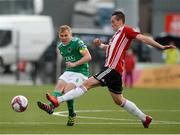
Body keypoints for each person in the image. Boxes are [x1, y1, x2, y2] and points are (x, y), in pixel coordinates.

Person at [42, 10, 176, 128]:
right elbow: (109, 48)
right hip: (115, 72)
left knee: (86, 84)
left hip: (111, 69)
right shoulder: (116, 36)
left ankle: (57, 100)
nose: (111, 23)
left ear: (120, 21)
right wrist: (100, 45)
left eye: (113, 21)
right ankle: (144, 118)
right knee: (119, 100)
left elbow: (143, 38)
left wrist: (160, 46)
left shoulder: (126, 30)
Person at [37, 25, 92, 126]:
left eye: (66, 35)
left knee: (67, 91)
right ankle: (51, 107)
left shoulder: (77, 42)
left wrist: (75, 64)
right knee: (59, 87)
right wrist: (71, 66)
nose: (63, 38)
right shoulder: (60, 47)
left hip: (81, 72)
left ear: (71, 35)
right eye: (61, 35)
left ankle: (71, 114)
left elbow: (88, 57)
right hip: (69, 71)